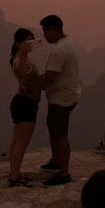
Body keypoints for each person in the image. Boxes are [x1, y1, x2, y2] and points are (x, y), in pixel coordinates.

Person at [35, 14, 80, 187]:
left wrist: (31, 85)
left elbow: (49, 77)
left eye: (45, 31)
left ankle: (64, 174)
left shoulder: (59, 51)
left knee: (61, 135)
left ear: (54, 29)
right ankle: (55, 161)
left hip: (61, 99)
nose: (44, 35)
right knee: (54, 129)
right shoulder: (69, 43)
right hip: (69, 94)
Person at [7, 28, 42, 187]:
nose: (30, 44)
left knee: (16, 140)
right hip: (26, 104)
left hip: (23, 102)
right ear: (18, 43)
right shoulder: (20, 60)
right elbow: (22, 77)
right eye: (27, 41)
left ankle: (14, 172)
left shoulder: (20, 58)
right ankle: (14, 177)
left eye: (31, 40)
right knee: (22, 142)